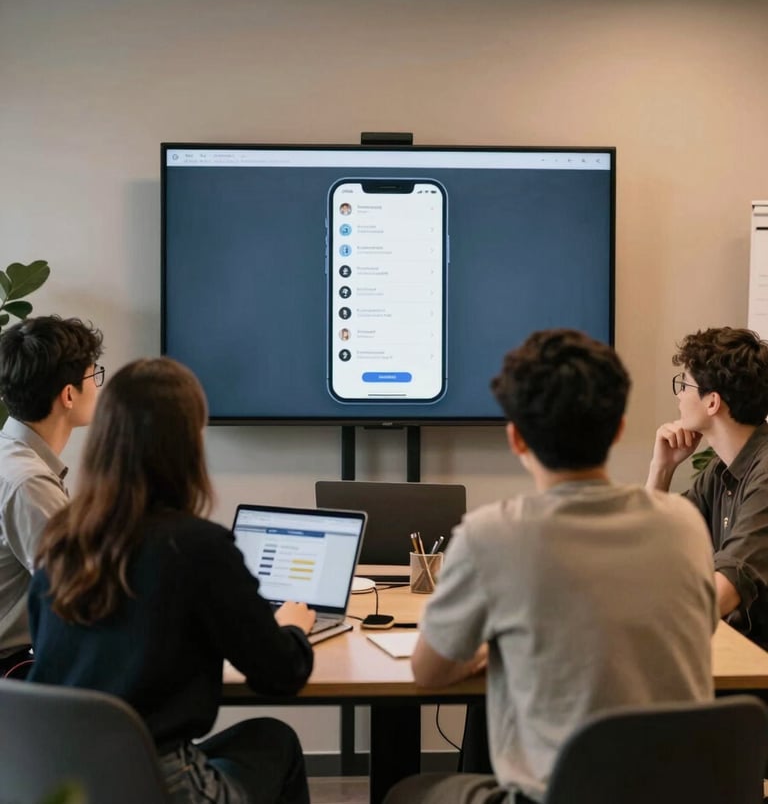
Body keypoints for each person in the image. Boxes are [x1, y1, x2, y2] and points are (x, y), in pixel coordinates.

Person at [384, 329, 717, 804]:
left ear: (516, 437)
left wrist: (488, 652)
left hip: (551, 797)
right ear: (618, 427)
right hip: (675, 793)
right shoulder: (684, 524)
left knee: (409, 793)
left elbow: (429, 672)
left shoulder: (491, 535)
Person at [27, 357, 316, 804]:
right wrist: (292, 627)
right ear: (187, 446)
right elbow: (281, 673)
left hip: (68, 785)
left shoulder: (60, 544)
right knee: (275, 742)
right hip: (160, 788)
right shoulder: (197, 546)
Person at [646, 326, 768, 649]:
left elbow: (724, 594)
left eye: (684, 385)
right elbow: (650, 546)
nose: (679, 395)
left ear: (712, 402)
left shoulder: (766, 474)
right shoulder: (720, 470)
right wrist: (663, 468)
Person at [0, 315, 104, 677]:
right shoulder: (27, 481)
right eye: (95, 376)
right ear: (69, 395)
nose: (98, 386)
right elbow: (80, 594)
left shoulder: (11, 459)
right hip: (17, 675)